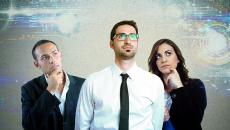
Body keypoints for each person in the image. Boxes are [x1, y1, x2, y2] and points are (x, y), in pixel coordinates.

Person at [75, 20, 164, 130]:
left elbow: (156, 125)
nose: (128, 41)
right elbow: (81, 126)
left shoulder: (154, 83)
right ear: (111, 44)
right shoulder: (93, 82)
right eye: (121, 36)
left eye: (132, 36)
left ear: (137, 41)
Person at [21, 40, 85, 130]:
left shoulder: (83, 84)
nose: (52, 60)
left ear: (60, 55)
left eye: (55, 54)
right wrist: (50, 90)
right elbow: (29, 126)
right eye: (44, 57)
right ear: (37, 64)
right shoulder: (29, 89)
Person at [148, 39, 207, 130]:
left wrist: (179, 87)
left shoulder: (195, 85)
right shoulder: (149, 88)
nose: (163, 59)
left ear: (178, 58)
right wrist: (156, 118)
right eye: (158, 56)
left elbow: (194, 122)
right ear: (155, 63)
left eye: (168, 53)